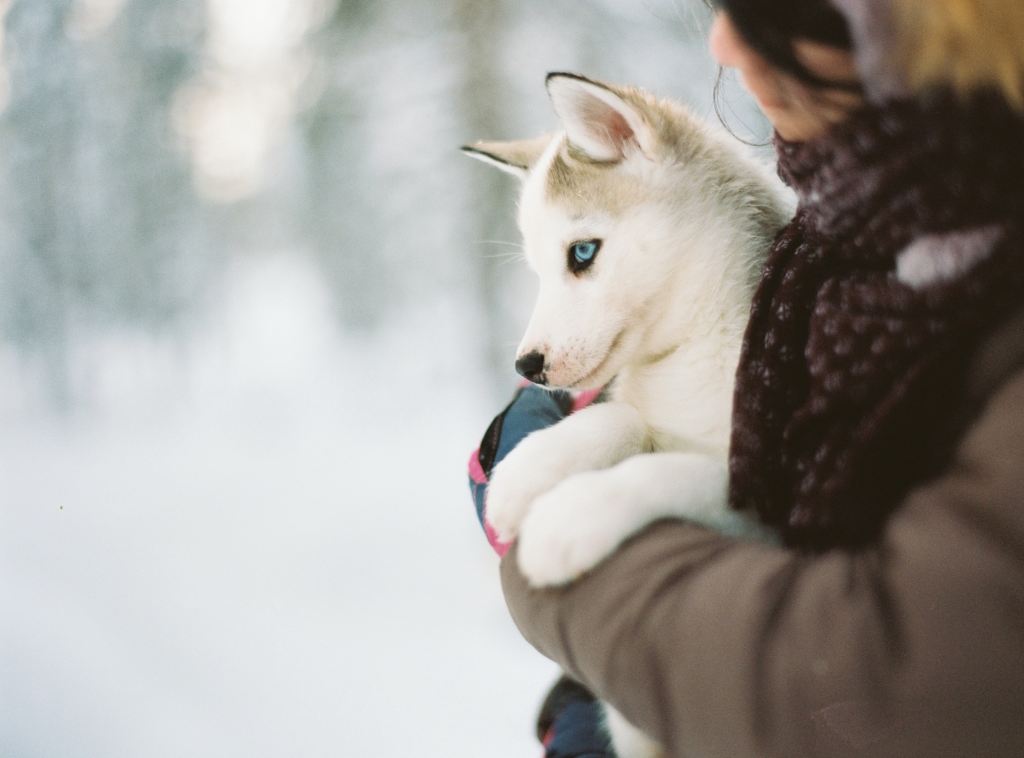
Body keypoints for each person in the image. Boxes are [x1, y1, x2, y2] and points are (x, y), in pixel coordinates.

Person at [468, 0, 1024, 755]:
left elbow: (875, 671)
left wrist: (586, 566)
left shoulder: (928, 301)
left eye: (779, 7)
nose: (724, 39)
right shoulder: (832, 254)